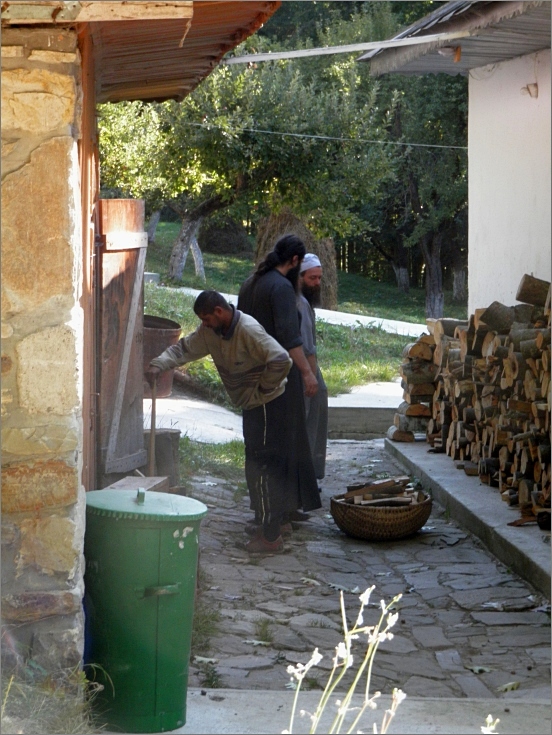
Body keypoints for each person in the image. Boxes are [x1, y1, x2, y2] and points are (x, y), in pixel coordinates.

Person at [145, 291, 295, 552]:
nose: (203, 324)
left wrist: (263, 388)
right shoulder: (211, 332)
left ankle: (271, 537)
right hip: (253, 404)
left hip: (269, 405)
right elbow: (184, 348)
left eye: (206, 319)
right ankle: (273, 524)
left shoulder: (248, 329)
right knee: (257, 464)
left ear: (218, 311)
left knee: (262, 467)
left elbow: (281, 359)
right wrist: (159, 364)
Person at [237, 234, 322, 552]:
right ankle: (273, 525)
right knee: (278, 451)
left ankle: (268, 517)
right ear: (295, 261)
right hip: (279, 382)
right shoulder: (282, 288)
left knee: (257, 449)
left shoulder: (250, 284)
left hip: (252, 378)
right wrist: (307, 372)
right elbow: (290, 337)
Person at [297, 253, 328, 483]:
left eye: (319, 278)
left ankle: (312, 473)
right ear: (299, 277)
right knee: (309, 418)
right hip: (304, 369)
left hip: (307, 368)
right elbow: (307, 348)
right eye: (312, 278)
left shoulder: (305, 302)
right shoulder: (300, 302)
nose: (317, 283)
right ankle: (307, 474)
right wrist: (311, 375)